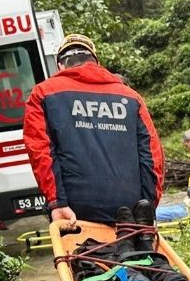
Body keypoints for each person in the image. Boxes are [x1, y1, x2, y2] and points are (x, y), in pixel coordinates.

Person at [23, 33, 164, 224]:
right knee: (135, 253)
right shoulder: (132, 97)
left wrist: (57, 203)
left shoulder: (43, 93)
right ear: (96, 63)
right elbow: (152, 156)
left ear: (60, 66)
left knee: (84, 254)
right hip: (131, 207)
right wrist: (148, 205)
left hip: (75, 210)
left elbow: (41, 152)